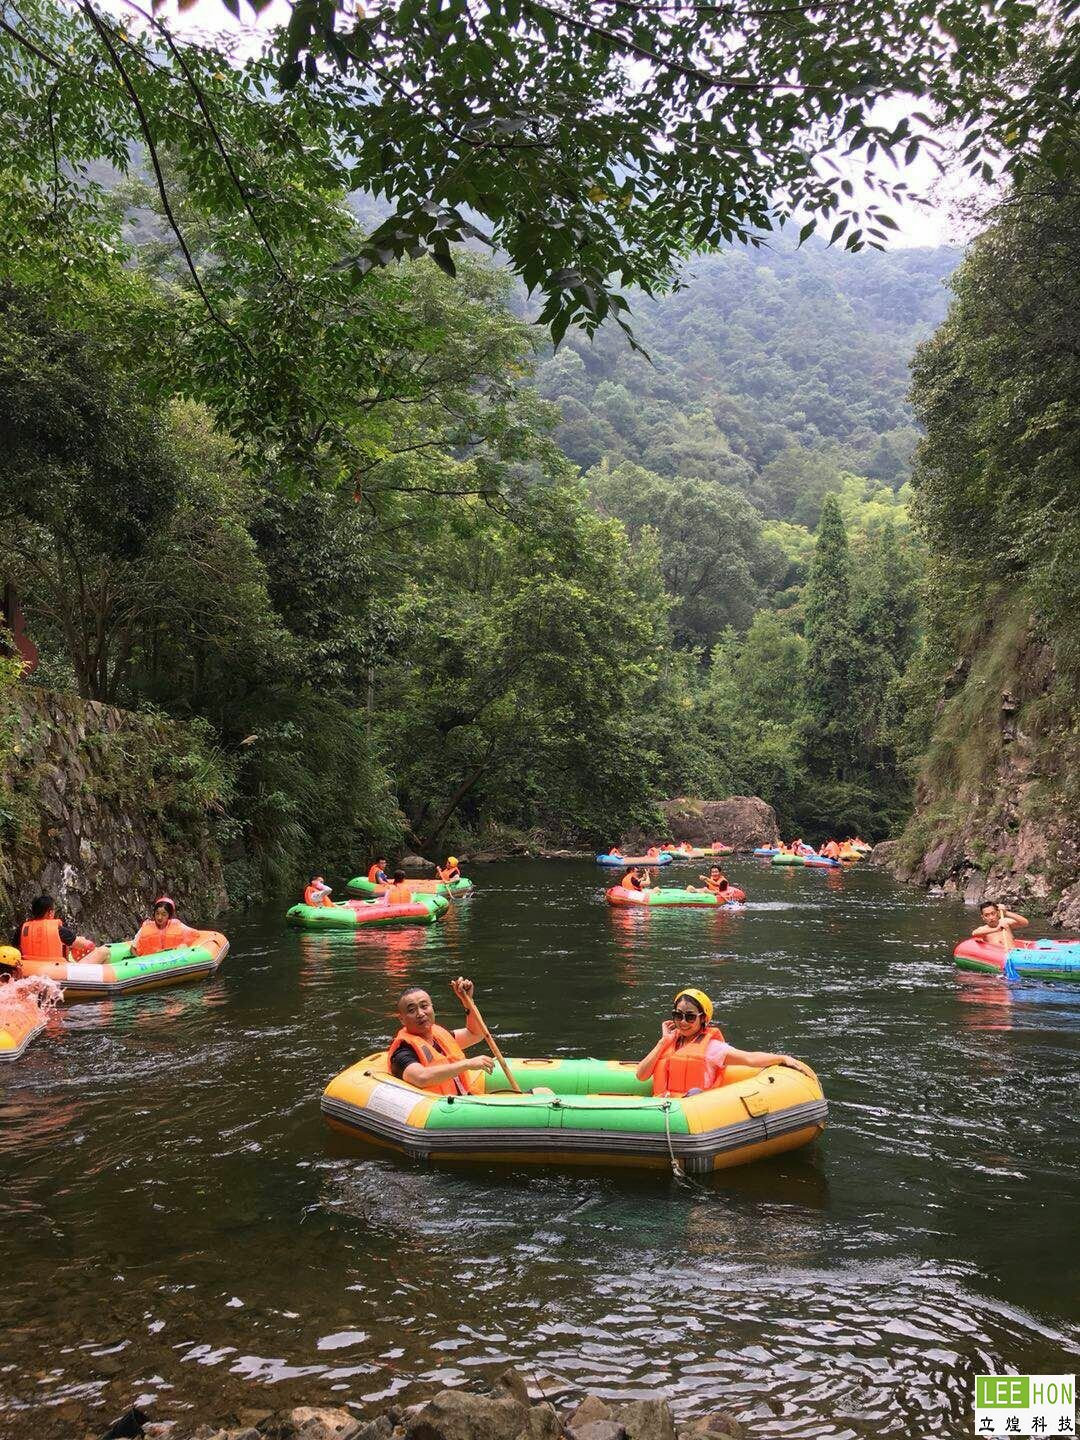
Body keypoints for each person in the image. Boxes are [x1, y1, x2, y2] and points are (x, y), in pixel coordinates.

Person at [636, 988, 811, 1097]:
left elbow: (749, 1058)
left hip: (693, 1109)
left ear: (703, 1019)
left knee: (695, 1094)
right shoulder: (668, 1043)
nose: (682, 1022)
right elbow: (641, 1075)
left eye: (689, 1016)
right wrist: (662, 1042)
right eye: (678, 1015)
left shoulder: (713, 1048)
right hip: (663, 1109)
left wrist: (781, 1058)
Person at [387, 978, 496, 1094]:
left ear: (432, 1008)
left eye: (424, 1006)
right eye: (412, 1010)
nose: (420, 1013)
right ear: (402, 1019)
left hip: (463, 1100)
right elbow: (421, 1078)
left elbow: (475, 1034)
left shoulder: (440, 1035)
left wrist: (467, 1000)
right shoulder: (403, 1051)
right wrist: (467, 1064)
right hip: (438, 1108)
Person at [130, 897, 200, 956]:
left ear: (169, 915)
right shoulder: (146, 927)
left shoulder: (178, 926)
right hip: (149, 962)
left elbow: (196, 934)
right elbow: (133, 948)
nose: (159, 917)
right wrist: (138, 960)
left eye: (164, 914)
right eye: (157, 913)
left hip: (171, 960)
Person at [14, 895, 76, 963]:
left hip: (27, 968)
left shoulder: (22, 929)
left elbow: (15, 949)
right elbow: (81, 944)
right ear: (50, 912)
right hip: (54, 969)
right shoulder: (59, 930)